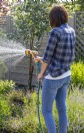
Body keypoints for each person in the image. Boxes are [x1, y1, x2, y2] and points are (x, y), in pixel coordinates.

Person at [35, 5, 76, 133]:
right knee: (62, 108)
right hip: (65, 76)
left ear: (53, 18)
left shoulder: (55, 32)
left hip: (53, 78)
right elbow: (58, 55)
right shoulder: (71, 31)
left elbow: (47, 58)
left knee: (46, 110)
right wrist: (41, 59)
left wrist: (41, 73)